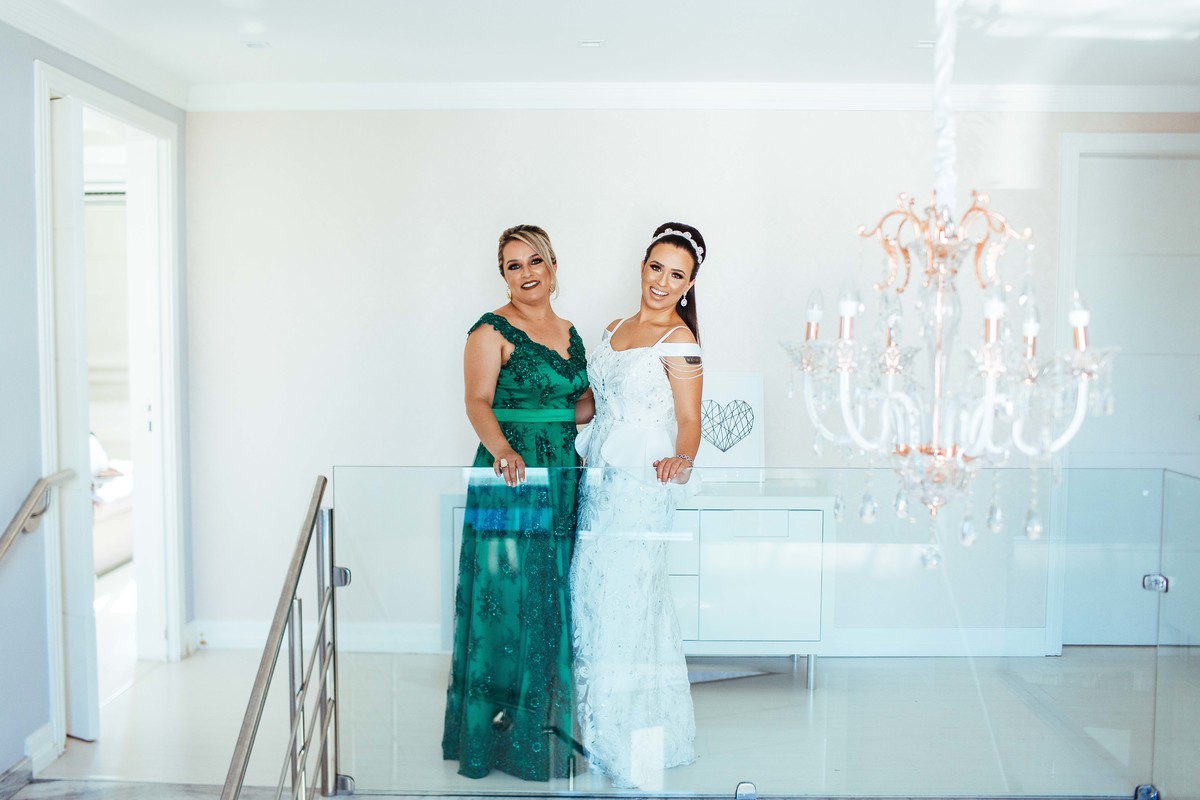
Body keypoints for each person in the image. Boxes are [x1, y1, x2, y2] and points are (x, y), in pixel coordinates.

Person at [442, 224, 593, 781]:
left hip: (563, 472)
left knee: (552, 596)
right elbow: (476, 401)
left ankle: (542, 732)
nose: (526, 273)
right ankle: (493, 739)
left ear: (552, 266)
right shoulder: (490, 330)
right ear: (503, 275)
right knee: (505, 597)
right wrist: (505, 449)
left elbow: (581, 406)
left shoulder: (571, 332)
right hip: (511, 473)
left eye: (535, 261)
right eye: (513, 265)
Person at [570, 222, 705, 788]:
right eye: (656, 268)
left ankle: (629, 738)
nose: (662, 281)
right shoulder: (612, 329)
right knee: (590, 589)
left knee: (627, 598)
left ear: (689, 284)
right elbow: (589, 407)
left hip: (642, 481)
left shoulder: (680, 341)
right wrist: (531, 414)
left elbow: (690, 418)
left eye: (677, 275)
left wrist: (682, 459)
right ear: (643, 266)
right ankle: (597, 728)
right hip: (598, 477)